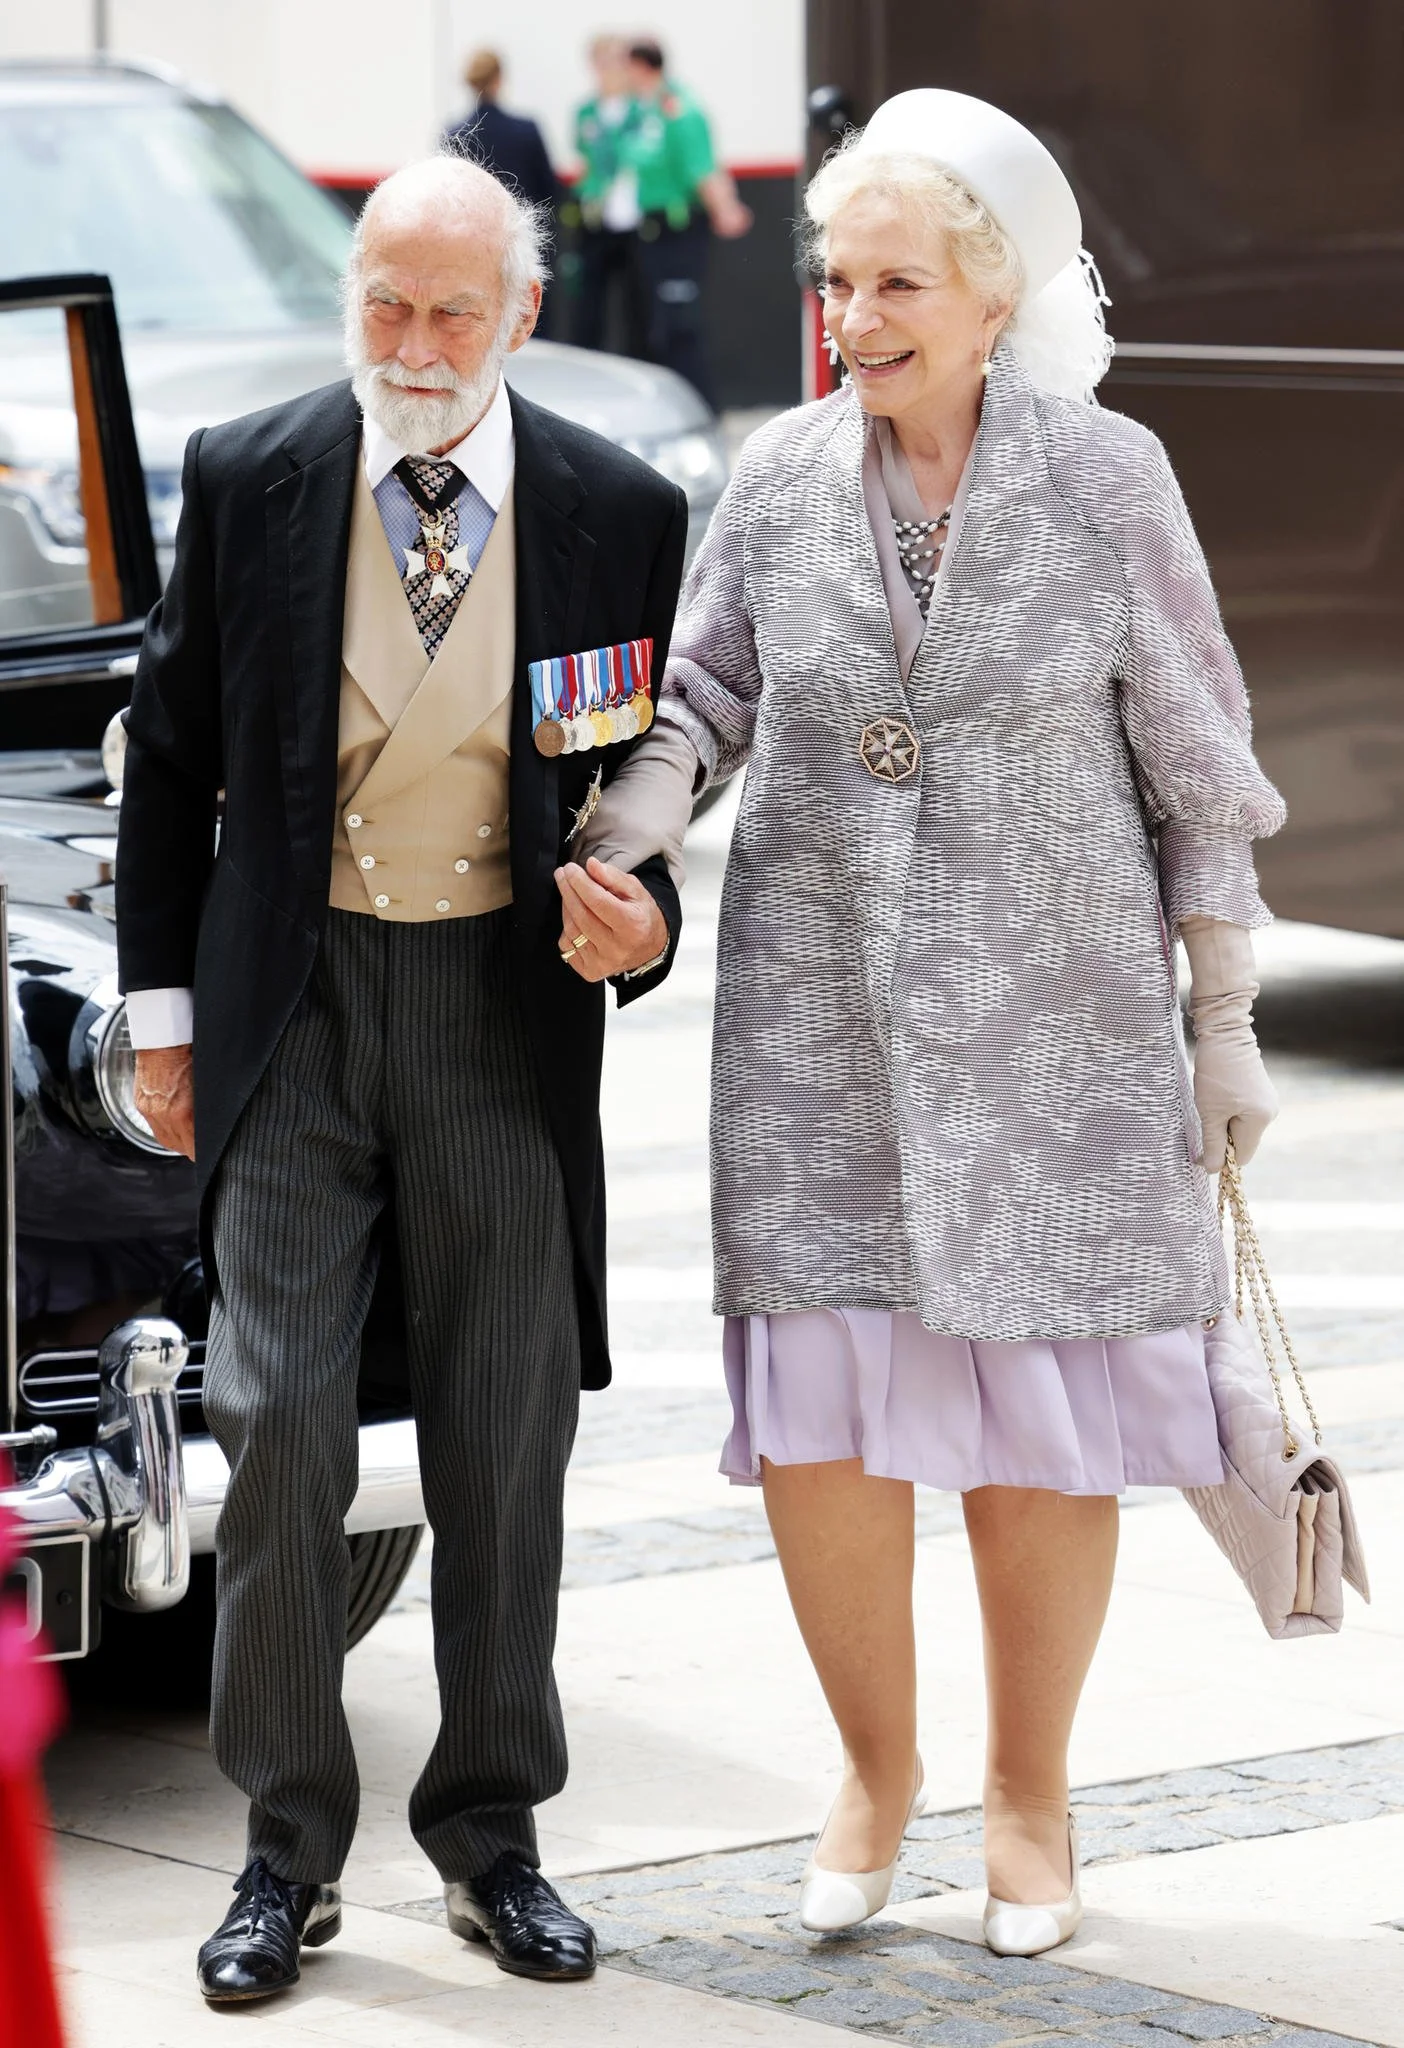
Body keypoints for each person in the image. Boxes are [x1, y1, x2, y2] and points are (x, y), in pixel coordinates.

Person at [576, 89, 1284, 1957]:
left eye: (896, 281)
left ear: (991, 297)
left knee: (1039, 1419)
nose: (853, 317)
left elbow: (1195, 759)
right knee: (823, 1412)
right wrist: (625, 837)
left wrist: (1219, 1016)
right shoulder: (781, 474)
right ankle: (871, 1775)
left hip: (1056, 1023)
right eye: (835, 280)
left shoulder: (1105, 476)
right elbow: (702, 689)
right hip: (814, 1021)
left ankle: (1028, 1803)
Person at [115, 154, 688, 2003]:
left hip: (500, 1014)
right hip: (293, 1004)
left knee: (503, 1429)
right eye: (383, 300)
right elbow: (168, 756)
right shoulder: (252, 472)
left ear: (522, 314)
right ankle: (285, 1849)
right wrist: (162, 1018)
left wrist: (641, 919)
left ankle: (491, 1831)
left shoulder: (616, 506)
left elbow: (629, 793)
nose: (413, 343)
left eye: (452, 309)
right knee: (276, 1419)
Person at [619, 38, 751, 404]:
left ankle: (700, 406)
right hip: (650, 230)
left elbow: (703, 169)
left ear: (641, 66)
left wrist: (726, 209)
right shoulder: (641, 113)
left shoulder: (680, 111)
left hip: (678, 231)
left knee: (680, 325)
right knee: (656, 326)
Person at [443, 50, 559, 333]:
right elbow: (549, 191)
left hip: (469, 245)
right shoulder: (526, 130)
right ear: (499, 80)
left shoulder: (455, 132)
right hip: (523, 243)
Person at [571, 34, 647, 359]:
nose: (609, 70)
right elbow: (585, 161)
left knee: (637, 304)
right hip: (597, 217)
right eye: (601, 62)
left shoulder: (641, 109)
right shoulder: (586, 112)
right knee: (589, 304)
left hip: (636, 219)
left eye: (615, 61)